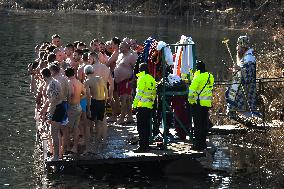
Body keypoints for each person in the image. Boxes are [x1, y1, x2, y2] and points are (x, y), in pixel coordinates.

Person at [226, 35, 257, 116]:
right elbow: (241, 69)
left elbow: (249, 73)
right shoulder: (244, 57)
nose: (237, 50)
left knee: (234, 96)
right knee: (230, 91)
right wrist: (235, 70)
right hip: (239, 85)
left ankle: (243, 116)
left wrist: (239, 68)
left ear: (243, 48)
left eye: (239, 48)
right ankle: (233, 114)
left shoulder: (249, 58)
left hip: (246, 87)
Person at [188, 61, 214, 151]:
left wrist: (191, 101)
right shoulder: (210, 76)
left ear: (198, 68)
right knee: (204, 124)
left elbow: (191, 90)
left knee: (197, 125)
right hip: (207, 103)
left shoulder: (198, 77)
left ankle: (198, 145)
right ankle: (203, 144)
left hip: (198, 104)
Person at [39, 68, 64, 161]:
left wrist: (49, 114)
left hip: (56, 109)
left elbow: (53, 101)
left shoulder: (52, 84)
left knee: (54, 133)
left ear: (43, 76)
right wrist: (43, 110)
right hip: (58, 107)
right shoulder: (54, 82)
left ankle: (56, 156)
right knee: (56, 133)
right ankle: (58, 154)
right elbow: (50, 100)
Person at [132, 63, 156, 152]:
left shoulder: (142, 78)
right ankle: (147, 145)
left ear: (140, 70)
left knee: (141, 127)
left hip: (142, 106)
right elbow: (154, 93)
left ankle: (142, 147)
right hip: (149, 106)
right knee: (147, 127)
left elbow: (139, 93)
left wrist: (134, 105)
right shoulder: (151, 78)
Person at [84, 65, 108, 152]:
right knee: (99, 124)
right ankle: (96, 147)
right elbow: (106, 90)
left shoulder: (87, 81)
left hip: (94, 102)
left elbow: (87, 96)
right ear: (93, 71)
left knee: (87, 125)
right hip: (102, 102)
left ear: (85, 73)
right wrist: (105, 102)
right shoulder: (100, 78)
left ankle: (88, 147)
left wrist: (89, 109)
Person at [114, 41, 138, 124]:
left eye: (121, 46)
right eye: (119, 46)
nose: (119, 48)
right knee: (127, 100)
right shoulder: (120, 55)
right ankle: (130, 117)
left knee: (123, 99)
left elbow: (136, 69)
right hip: (119, 82)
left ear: (127, 47)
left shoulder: (131, 56)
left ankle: (122, 118)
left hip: (127, 81)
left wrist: (133, 80)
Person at [65, 67, 85, 154]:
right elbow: (85, 93)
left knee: (70, 128)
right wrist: (79, 99)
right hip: (79, 106)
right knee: (76, 127)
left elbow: (71, 93)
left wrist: (68, 105)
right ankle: (75, 146)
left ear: (66, 75)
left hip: (72, 107)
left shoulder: (69, 82)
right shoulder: (78, 82)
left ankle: (73, 147)